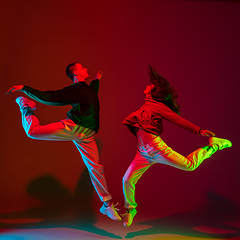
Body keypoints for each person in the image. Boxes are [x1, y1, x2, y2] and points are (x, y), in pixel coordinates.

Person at [6, 62, 121, 221]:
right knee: (33, 131)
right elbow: (51, 97)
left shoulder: (86, 89)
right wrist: (24, 88)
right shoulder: (76, 90)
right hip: (74, 127)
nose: (86, 68)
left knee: (95, 167)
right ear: (76, 74)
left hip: (86, 134)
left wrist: (97, 80)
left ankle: (107, 204)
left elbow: (92, 93)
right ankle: (25, 105)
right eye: (82, 68)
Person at [122, 65, 232, 227]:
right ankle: (131, 209)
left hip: (156, 148)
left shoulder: (158, 106)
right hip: (142, 153)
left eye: (150, 84)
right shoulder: (145, 105)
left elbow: (178, 120)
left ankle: (215, 145)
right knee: (127, 179)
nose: (147, 85)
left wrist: (200, 131)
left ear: (154, 91)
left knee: (189, 165)